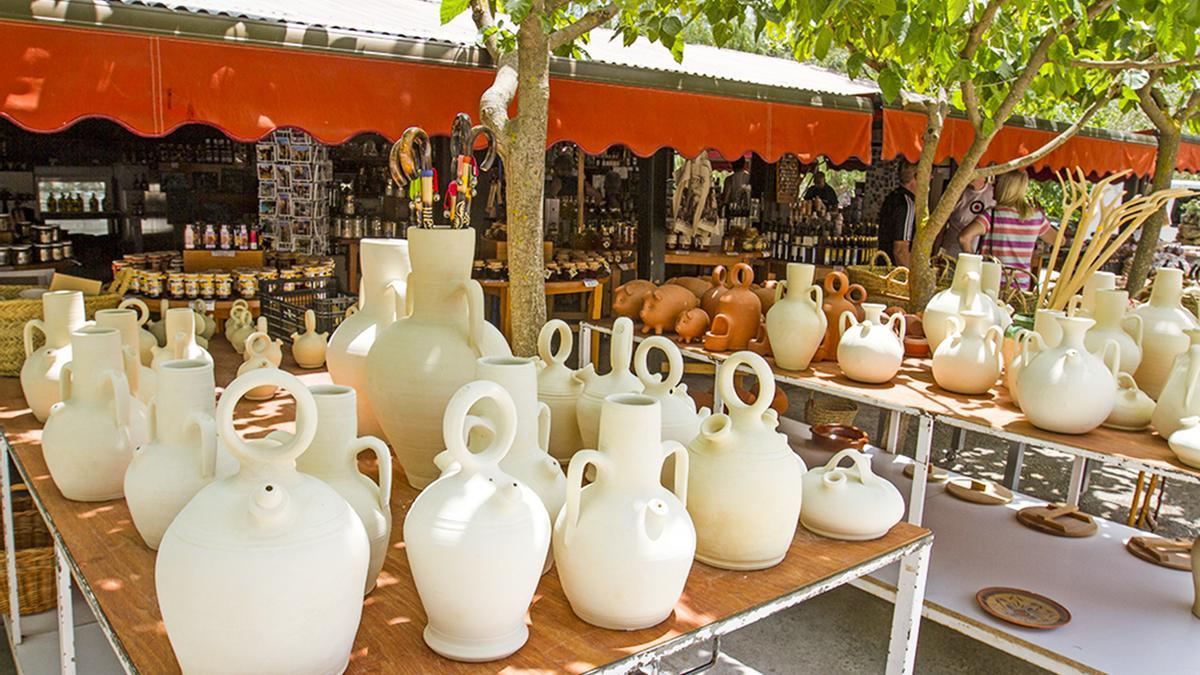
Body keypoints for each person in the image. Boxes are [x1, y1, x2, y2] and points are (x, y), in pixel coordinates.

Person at [958, 170, 1057, 288]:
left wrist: (974, 264)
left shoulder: (992, 214)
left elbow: (964, 238)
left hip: (990, 283)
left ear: (1004, 187)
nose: (993, 186)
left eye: (996, 183)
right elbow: (1059, 241)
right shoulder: (1036, 217)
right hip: (1020, 286)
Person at [940, 176, 994, 257]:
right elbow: (941, 223)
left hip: (980, 254)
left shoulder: (994, 194)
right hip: (952, 253)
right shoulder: (956, 192)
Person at [877, 163, 918, 266]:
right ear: (916, 177)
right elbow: (900, 250)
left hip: (885, 267)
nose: (931, 177)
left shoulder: (893, 196)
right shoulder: (907, 204)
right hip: (895, 272)